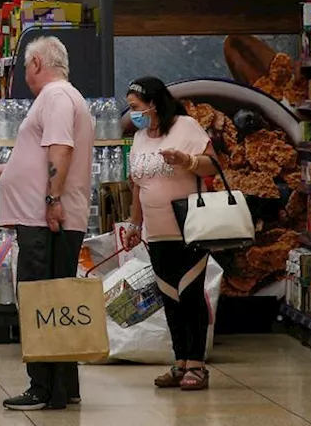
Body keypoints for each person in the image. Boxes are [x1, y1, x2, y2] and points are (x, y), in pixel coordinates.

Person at [0, 37, 93, 411]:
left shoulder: (54, 97)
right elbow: (42, 156)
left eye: (24, 66)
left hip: (45, 220)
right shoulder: (66, 97)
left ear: (36, 63)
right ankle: (64, 385)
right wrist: (1, 170)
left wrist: (52, 201)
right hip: (48, 217)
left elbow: (60, 150)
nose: (24, 74)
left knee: (39, 301)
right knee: (57, 301)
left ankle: (42, 388)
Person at [122, 77, 219, 391]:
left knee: (191, 295)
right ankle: (180, 361)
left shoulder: (186, 127)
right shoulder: (139, 138)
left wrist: (187, 160)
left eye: (136, 107)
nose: (133, 113)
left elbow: (212, 166)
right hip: (157, 233)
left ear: (153, 103)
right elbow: (137, 187)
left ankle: (197, 364)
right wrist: (134, 227)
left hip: (190, 229)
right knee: (170, 298)